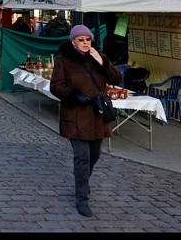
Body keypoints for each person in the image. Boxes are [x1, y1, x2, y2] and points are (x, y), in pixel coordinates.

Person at [50, 24, 122, 218]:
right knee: (82, 157)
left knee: (95, 155)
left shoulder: (98, 58)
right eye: (80, 40)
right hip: (75, 117)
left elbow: (117, 78)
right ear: (73, 42)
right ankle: (82, 198)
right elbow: (55, 87)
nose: (84, 43)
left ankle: (83, 182)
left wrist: (103, 62)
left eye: (87, 39)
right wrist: (74, 95)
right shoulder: (63, 62)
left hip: (97, 116)